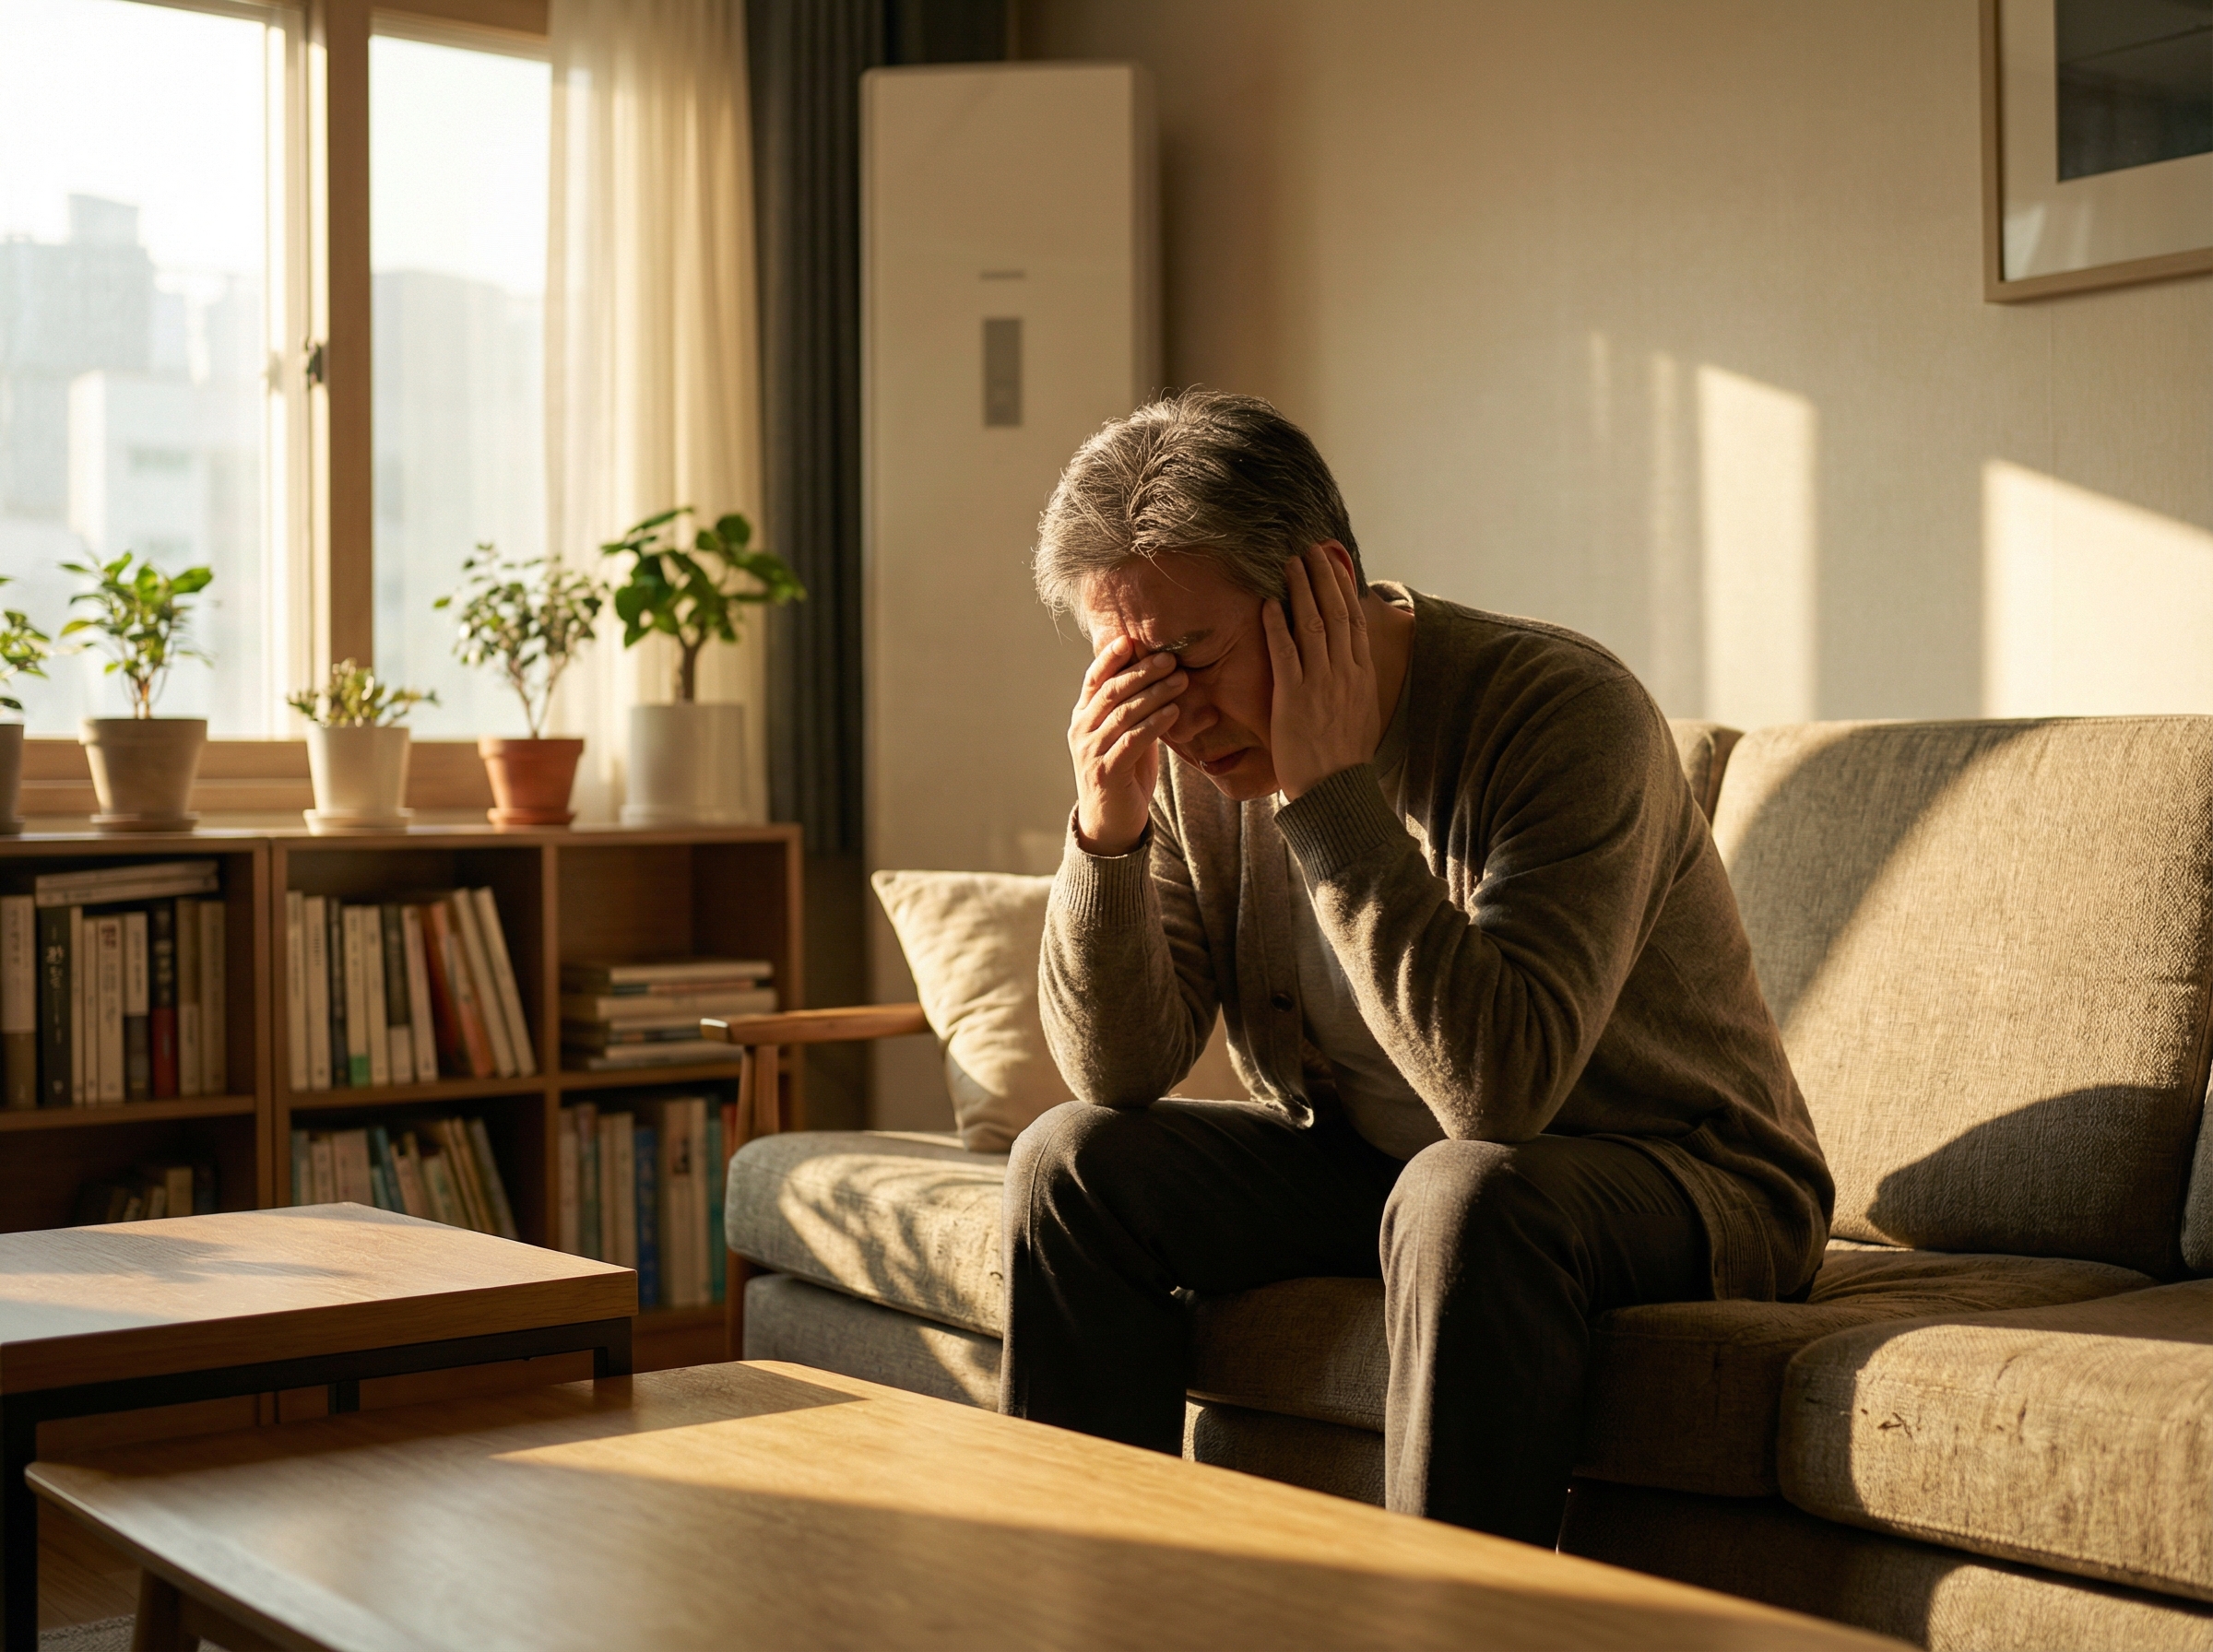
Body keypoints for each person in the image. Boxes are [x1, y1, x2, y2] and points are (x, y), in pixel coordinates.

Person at [1002, 388, 1833, 1547]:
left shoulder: (1561, 715)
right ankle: (1093, 1603)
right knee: (1071, 1159)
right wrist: (1107, 829)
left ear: (1322, 586)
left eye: (1192, 653)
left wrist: (1328, 793)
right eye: (1131, 666)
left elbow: (1497, 1095)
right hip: (1384, 1167)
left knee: (1465, 1188)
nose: (1172, 712)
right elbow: (1121, 1070)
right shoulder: (1187, 757)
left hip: (1676, 1172)